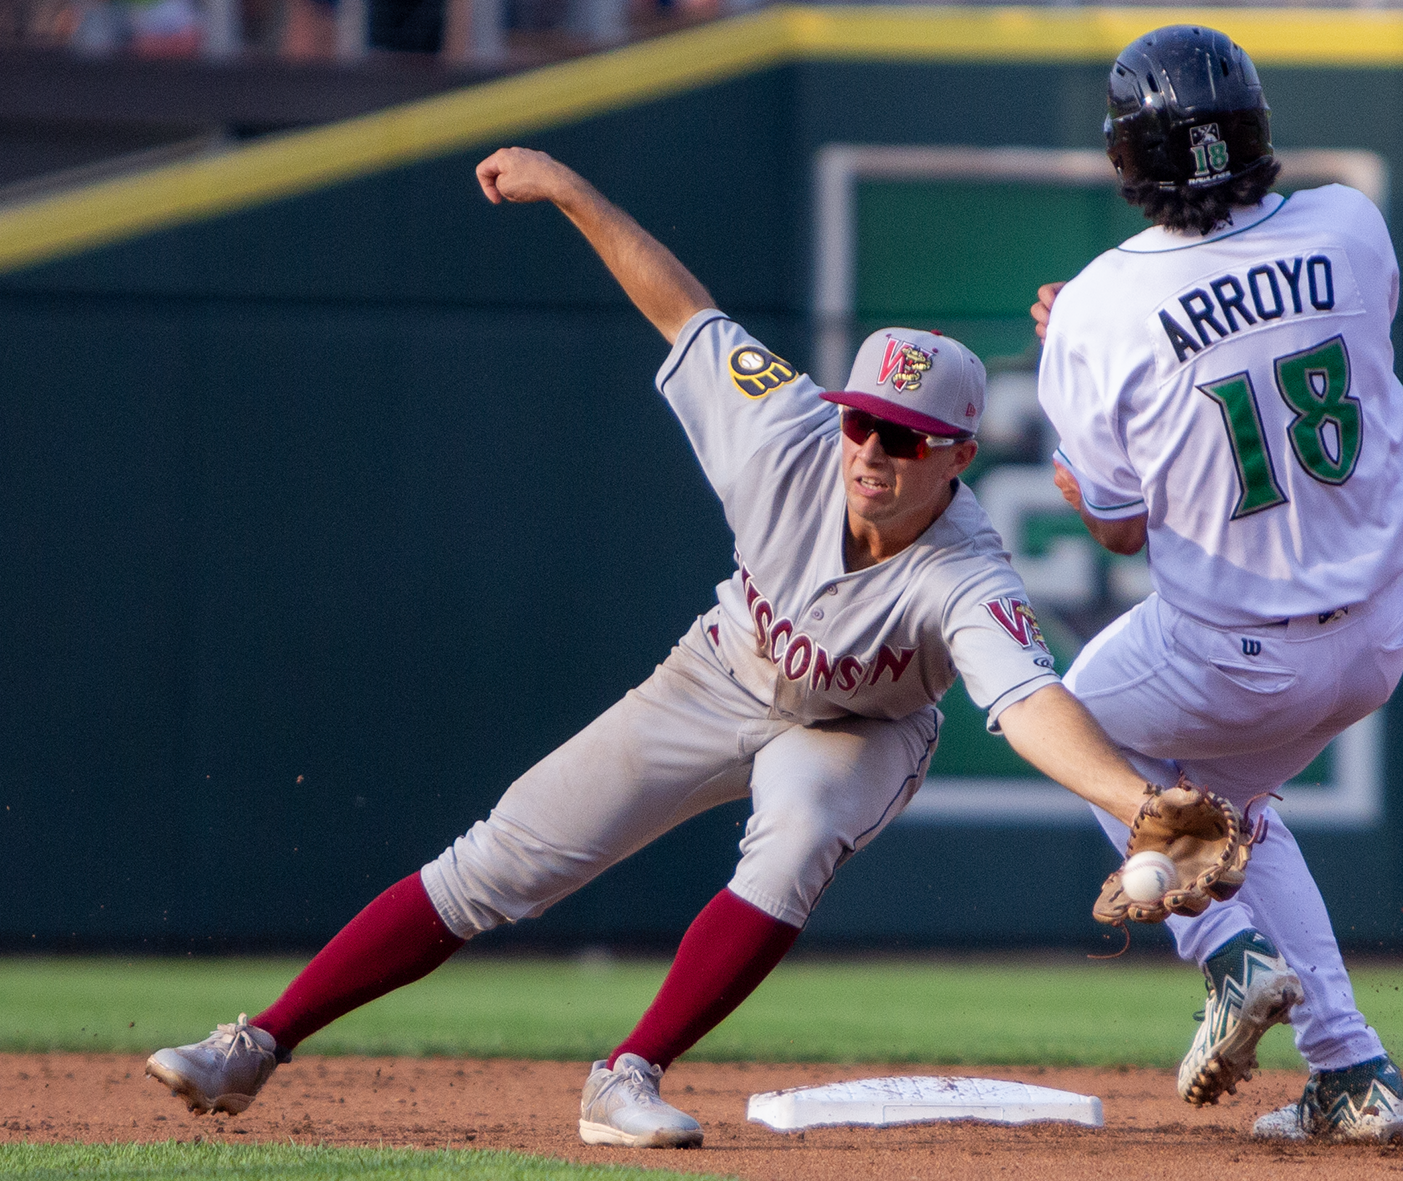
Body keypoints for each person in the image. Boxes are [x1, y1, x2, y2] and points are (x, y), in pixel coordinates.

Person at [145, 145, 1180, 1150]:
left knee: (800, 829)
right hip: (721, 669)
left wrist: (1139, 804)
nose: (871, 448)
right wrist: (567, 189)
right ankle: (256, 1042)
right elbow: (684, 308)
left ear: (958, 453)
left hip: (858, 728)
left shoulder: (967, 572)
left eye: (904, 436)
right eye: (863, 420)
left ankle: (627, 1071)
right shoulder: (784, 433)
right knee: (494, 860)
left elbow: (1029, 702)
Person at [1030, 25, 1403, 1143]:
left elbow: (1114, 527)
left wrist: (1078, 350)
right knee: (1234, 813)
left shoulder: (1102, 307)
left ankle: (1227, 954)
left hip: (1233, 649)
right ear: (1254, 129)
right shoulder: (1352, 221)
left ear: (1127, 158)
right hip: (1383, 628)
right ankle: (1354, 1072)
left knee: (1067, 724)